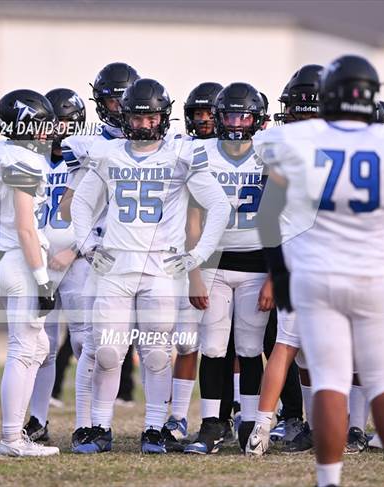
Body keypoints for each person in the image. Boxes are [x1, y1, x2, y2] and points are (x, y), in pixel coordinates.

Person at [254, 54, 384, 487]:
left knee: (329, 384)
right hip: (372, 279)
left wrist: (279, 274)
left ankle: (329, 480)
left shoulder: (294, 140)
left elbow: (268, 216)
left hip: (316, 279)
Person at [72, 78, 231, 454]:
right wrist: (87, 245)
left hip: (161, 269)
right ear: (125, 117)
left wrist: (197, 256)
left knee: (158, 353)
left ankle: (155, 429)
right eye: (138, 118)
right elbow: (81, 203)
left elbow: (219, 205)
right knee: (108, 351)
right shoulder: (109, 153)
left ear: (164, 117)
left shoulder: (181, 154)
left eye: (152, 118)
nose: (145, 125)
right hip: (115, 268)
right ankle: (99, 427)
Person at [184, 82, 272, 455]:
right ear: (219, 118)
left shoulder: (269, 153)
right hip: (213, 262)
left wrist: (274, 277)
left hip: (256, 263)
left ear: (258, 120)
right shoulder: (201, 153)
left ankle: (249, 421)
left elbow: (279, 218)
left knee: (250, 349)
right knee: (213, 347)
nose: (236, 124)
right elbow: (192, 219)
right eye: (230, 116)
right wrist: (193, 272)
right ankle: (210, 424)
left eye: (243, 117)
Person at [59, 62, 141, 449]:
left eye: (125, 99)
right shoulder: (87, 145)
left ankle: (163, 425)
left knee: (157, 347)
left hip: (146, 256)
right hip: (104, 256)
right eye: (112, 100)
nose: (119, 107)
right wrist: (86, 243)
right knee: (95, 346)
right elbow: (69, 207)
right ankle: (86, 425)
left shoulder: (159, 143)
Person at [244, 64, 324, 456]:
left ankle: (260, 428)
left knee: (285, 345)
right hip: (335, 255)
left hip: (293, 255)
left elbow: (268, 213)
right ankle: (340, 427)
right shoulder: (348, 142)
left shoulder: (275, 141)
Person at [0, 89, 59, 457]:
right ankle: (11, 439)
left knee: (38, 346)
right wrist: (42, 279)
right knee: (23, 350)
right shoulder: (24, 160)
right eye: (41, 124)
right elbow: (26, 227)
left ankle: (16, 434)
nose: (47, 131)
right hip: (21, 261)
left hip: (2, 258)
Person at [162, 82, 224, 449]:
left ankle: (233, 414)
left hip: (230, 258)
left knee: (232, 346)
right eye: (197, 113)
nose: (203, 120)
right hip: (190, 257)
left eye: (208, 113)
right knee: (185, 343)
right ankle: (176, 415)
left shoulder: (237, 150)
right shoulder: (184, 150)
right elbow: (192, 222)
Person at [24, 87, 87, 442]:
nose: (58, 130)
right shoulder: (28, 159)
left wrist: (74, 251)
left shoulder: (88, 161)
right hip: (40, 262)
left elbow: (99, 217)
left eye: (65, 122)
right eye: (53, 122)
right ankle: (37, 419)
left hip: (77, 262)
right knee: (41, 345)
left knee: (84, 343)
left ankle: (88, 422)